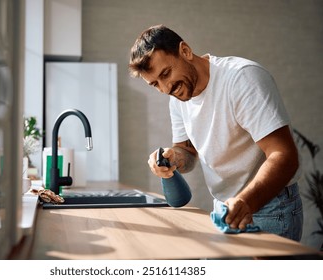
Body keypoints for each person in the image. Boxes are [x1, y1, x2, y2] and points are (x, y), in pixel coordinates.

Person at [128, 24, 303, 241]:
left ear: (185, 51)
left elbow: (284, 156)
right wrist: (174, 158)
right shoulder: (178, 97)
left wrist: (246, 202)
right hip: (225, 207)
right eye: (155, 84)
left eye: (166, 73)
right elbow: (187, 152)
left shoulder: (241, 79)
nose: (165, 89)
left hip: (269, 206)